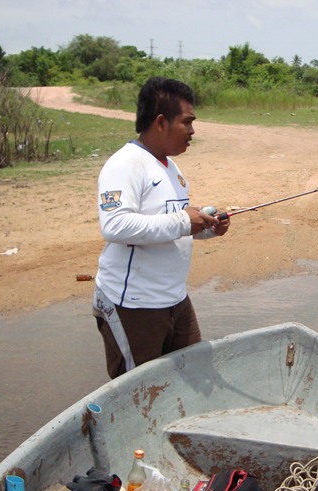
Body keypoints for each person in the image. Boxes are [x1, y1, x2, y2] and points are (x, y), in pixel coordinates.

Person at [92, 77, 230, 379]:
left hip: (175, 299)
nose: (193, 131)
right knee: (137, 393)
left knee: (195, 378)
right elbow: (115, 225)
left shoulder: (171, 167)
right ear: (160, 122)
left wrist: (207, 227)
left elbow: (172, 224)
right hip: (133, 304)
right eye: (188, 122)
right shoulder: (125, 164)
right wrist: (184, 220)